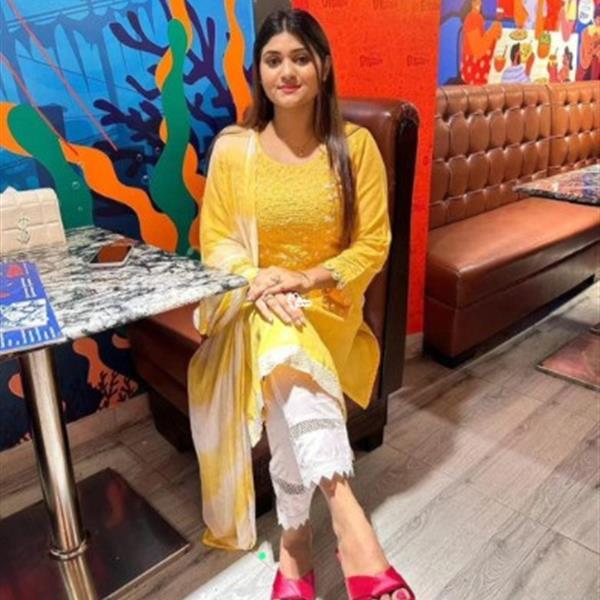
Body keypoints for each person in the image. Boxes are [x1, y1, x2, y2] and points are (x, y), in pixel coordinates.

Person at [188, 8, 415, 600]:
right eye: (273, 60)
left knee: (285, 348)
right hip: (257, 304)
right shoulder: (234, 149)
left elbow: (374, 243)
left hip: (329, 308)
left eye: (299, 58)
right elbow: (217, 242)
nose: (286, 72)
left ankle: (295, 542)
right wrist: (261, 281)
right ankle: (351, 524)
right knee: (279, 334)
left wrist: (306, 278)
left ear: (323, 66)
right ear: (258, 72)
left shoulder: (355, 147)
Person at [460, 0, 503, 85]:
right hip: (475, 73)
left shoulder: (475, 17)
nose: (479, 4)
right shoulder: (473, 17)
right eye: (476, 2)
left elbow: (481, 42)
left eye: (479, 2)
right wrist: (492, 32)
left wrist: (493, 34)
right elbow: (478, 51)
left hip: (473, 71)